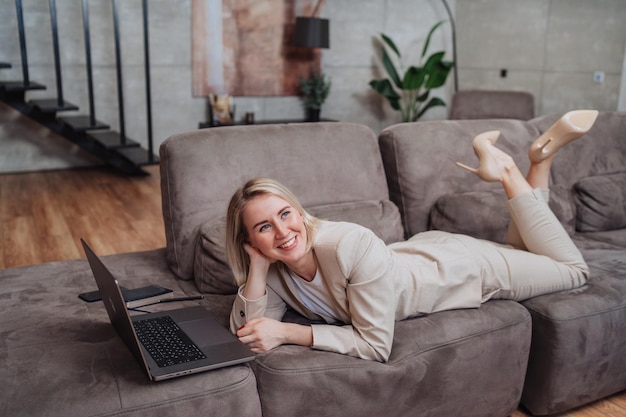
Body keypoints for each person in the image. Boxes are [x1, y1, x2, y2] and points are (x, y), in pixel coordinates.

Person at [226, 110, 598, 362]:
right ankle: (541, 158)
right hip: (429, 253)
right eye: (263, 228)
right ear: (250, 242)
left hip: (466, 269)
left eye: (285, 214)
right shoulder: (275, 267)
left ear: (299, 210)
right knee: (524, 248)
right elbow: (247, 330)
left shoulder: (346, 244)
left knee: (571, 270)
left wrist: (290, 332)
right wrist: (256, 269)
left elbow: (375, 345)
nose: (282, 231)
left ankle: (505, 167)